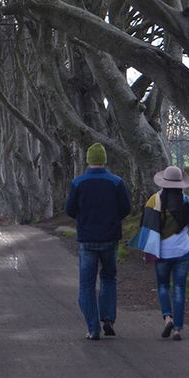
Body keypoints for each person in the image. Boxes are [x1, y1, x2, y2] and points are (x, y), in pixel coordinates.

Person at [65, 142, 132, 340]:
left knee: (86, 285)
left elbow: (70, 210)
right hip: (110, 238)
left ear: (88, 161)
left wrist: (84, 217)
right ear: (104, 160)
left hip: (87, 239)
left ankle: (93, 328)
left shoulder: (78, 183)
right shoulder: (116, 182)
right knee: (109, 277)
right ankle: (108, 319)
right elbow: (126, 208)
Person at [127, 165, 189, 341]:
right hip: (182, 252)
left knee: (163, 286)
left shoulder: (153, 201)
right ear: (181, 184)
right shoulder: (186, 202)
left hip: (161, 253)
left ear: (164, 182)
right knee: (180, 289)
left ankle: (168, 317)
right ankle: (178, 329)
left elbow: (145, 226)